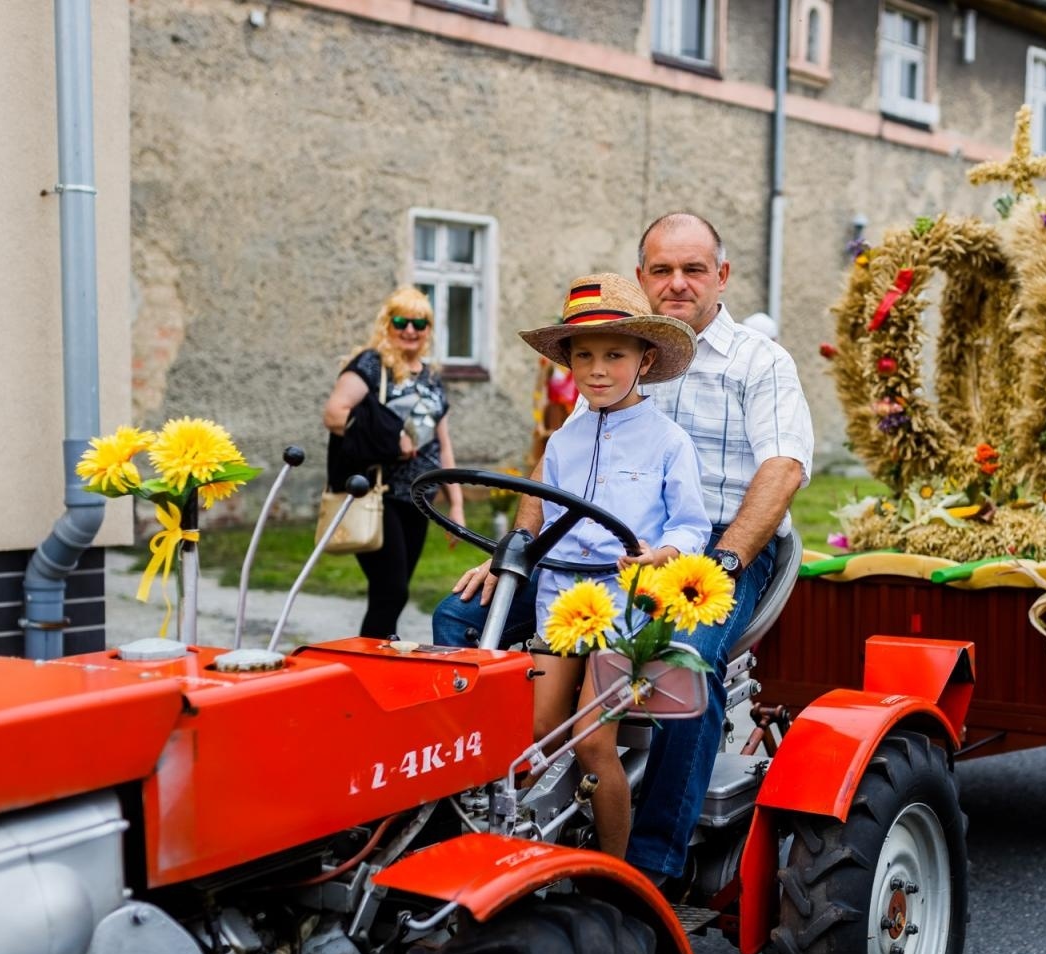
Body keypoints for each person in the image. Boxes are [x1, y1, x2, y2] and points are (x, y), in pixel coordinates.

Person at [433, 212, 815, 886]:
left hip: (712, 551)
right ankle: (463, 805)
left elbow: (782, 468)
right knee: (461, 620)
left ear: (720, 276)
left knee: (688, 657)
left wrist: (715, 563)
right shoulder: (610, 364)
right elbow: (552, 481)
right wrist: (514, 554)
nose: (676, 283)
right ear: (642, 279)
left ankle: (654, 866)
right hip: (591, 559)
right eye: (661, 270)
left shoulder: (760, 363)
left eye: (693, 269)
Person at [518, 273, 710, 860]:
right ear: (568, 364)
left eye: (614, 355)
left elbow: (690, 524)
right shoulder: (562, 443)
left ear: (644, 359)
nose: (598, 370)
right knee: (532, 738)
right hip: (562, 601)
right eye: (584, 357)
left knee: (589, 741)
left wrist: (664, 553)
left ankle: (615, 872)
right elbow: (541, 519)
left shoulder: (668, 442)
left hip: (625, 607)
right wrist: (508, 555)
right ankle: (526, 849)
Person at [323, 286, 464, 638]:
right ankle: (371, 660)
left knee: (389, 590)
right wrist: (393, 440)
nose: (410, 330)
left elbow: (443, 445)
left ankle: (376, 654)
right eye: (401, 321)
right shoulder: (371, 365)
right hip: (379, 494)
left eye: (420, 323)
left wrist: (456, 506)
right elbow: (335, 415)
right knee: (392, 590)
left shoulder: (432, 377)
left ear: (430, 329)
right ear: (387, 324)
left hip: (420, 500)